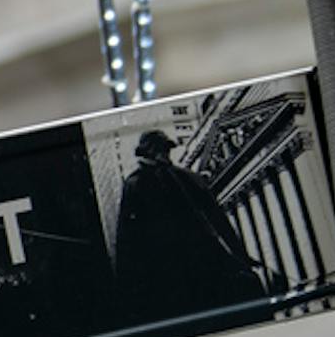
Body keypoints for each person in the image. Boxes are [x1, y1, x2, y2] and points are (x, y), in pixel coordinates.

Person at [111, 129, 268, 319]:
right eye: (162, 150)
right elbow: (127, 239)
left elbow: (219, 220)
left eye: (167, 150)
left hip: (201, 261)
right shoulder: (136, 184)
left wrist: (240, 255)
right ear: (149, 151)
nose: (166, 155)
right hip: (169, 271)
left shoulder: (186, 178)